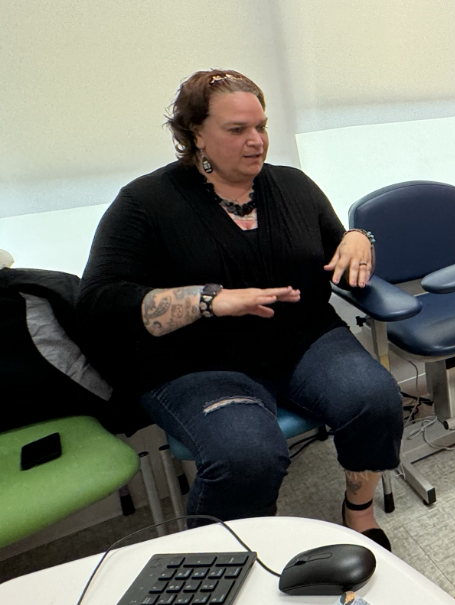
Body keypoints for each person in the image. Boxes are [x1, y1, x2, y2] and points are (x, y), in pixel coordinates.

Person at [77, 69, 402, 549]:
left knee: (375, 399)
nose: (256, 142)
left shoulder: (293, 186)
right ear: (194, 135)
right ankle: (225, 558)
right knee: (246, 455)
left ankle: (358, 509)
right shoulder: (145, 203)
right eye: (236, 130)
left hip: (303, 338)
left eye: (261, 127)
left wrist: (359, 238)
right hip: (197, 361)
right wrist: (208, 301)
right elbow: (99, 302)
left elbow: (341, 247)